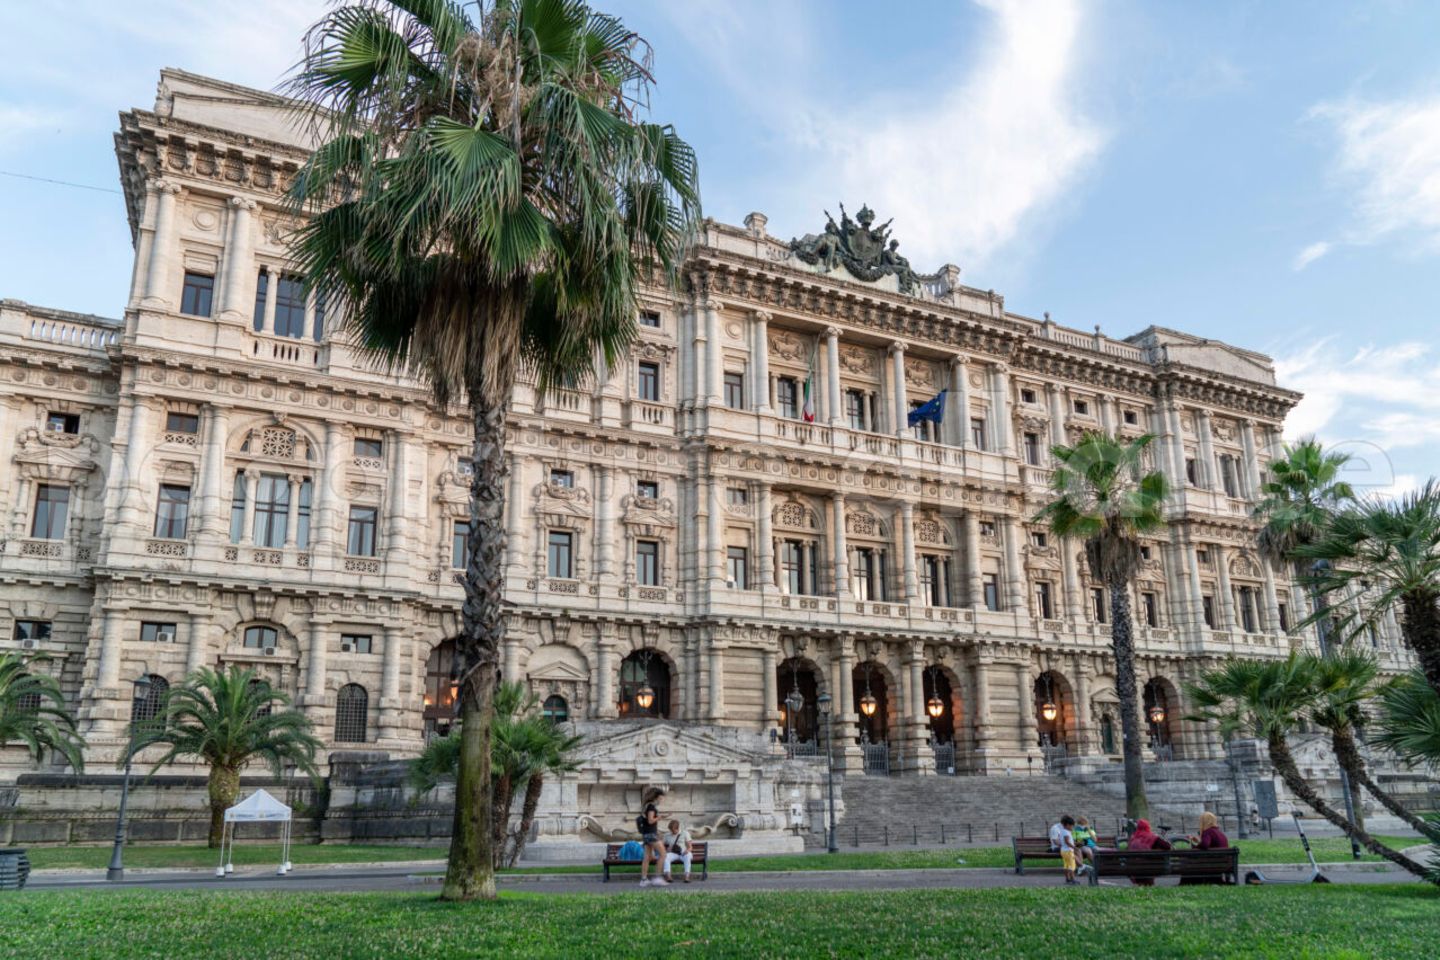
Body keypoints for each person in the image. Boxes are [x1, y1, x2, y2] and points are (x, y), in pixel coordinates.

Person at [1125, 818, 1171, 886]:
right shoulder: (1152, 837)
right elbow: (1167, 846)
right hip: (1150, 868)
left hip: (1133, 869)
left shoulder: (1133, 838)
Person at [635, 802, 667, 887]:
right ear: (656, 796)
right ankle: (657, 878)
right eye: (661, 797)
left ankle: (644, 880)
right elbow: (650, 820)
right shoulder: (651, 806)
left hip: (646, 834)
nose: (661, 799)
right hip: (651, 835)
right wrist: (659, 817)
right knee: (663, 854)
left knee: (647, 857)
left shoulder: (646, 806)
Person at [1048, 815, 1080, 884]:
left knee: (1066, 865)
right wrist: (1074, 847)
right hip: (1068, 850)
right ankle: (1073, 879)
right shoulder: (1065, 832)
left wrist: (1075, 843)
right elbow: (1067, 842)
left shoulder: (1062, 831)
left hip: (1063, 850)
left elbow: (1066, 841)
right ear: (1068, 825)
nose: (1072, 827)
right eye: (1072, 826)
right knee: (1072, 865)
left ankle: (1067, 879)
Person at [662, 818, 694, 883]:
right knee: (665, 856)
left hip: (683, 853)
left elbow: (690, 847)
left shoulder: (685, 833)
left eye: (673, 830)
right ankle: (668, 876)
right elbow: (661, 846)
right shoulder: (667, 835)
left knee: (688, 856)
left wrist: (687, 851)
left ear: (677, 828)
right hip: (673, 853)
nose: (671, 831)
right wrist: (666, 849)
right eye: (670, 830)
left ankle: (686, 876)